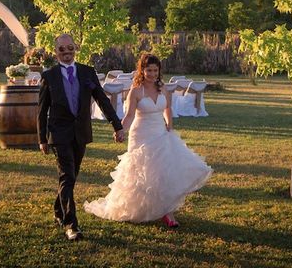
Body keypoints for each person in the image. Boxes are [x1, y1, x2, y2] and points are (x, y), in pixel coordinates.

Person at [84, 53, 212, 227]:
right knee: (142, 174)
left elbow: (167, 108)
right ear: (142, 71)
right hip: (141, 135)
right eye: (149, 70)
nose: (152, 74)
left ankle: (167, 213)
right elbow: (129, 116)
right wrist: (121, 130)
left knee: (162, 173)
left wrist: (169, 125)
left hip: (160, 133)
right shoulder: (135, 91)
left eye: (155, 70)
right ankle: (139, 208)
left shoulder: (163, 88)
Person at [38, 33, 125, 241]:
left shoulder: (87, 72)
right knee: (67, 177)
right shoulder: (49, 76)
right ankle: (71, 225)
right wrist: (42, 138)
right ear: (55, 51)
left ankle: (58, 211)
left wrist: (117, 125)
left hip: (81, 133)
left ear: (75, 48)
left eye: (70, 48)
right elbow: (42, 110)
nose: (66, 52)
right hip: (59, 134)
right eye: (62, 49)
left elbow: (102, 100)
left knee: (70, 177)